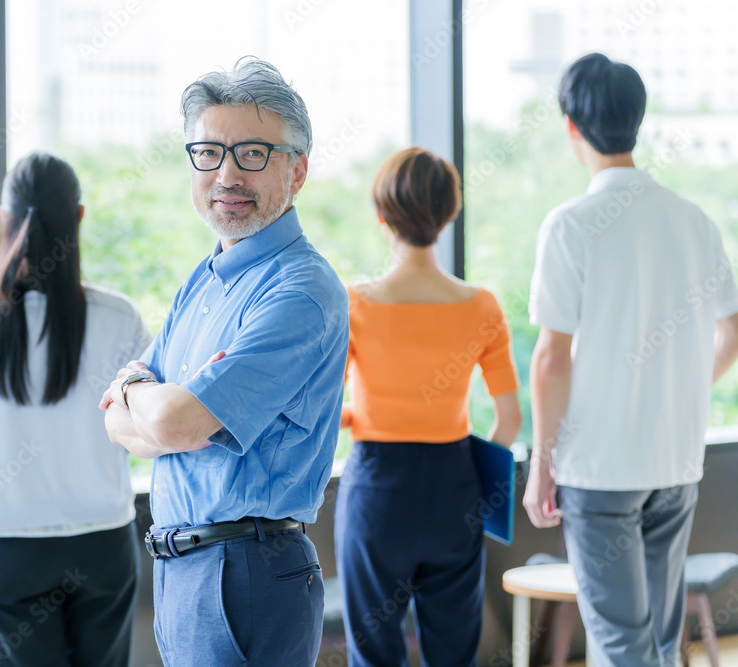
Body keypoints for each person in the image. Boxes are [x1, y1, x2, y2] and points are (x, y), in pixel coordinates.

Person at [99, 57, 349, 666]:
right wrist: (147, 396)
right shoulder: (204, 280)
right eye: (208, 152)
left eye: (254, 153)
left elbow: (171, 425)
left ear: (299, 171)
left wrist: (143, 394)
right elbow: (118, 425)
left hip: (246, 571)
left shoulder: (301, 291)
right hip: (182, 567)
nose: (227, 173)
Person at [523, 53, 738, 666]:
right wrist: (683, 386)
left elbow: (551, 359)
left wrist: (542, 464)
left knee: (620, 642)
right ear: (636, 121)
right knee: (661, 641)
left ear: (572, 126)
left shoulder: (571, 223)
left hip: (600, 468)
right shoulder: (694, 220)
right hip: (676, 461)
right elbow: (733, 331)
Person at [0, 152, 148, 667]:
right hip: (101, 542)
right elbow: (147, 431)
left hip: (9, 547)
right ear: (77, 218)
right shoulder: (119, 317)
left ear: (4, 221)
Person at [335, 147, 522, 666]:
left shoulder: (356, 305)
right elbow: (510, 421)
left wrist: (358, 417)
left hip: (377, 491)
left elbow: (326, 414)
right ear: (448, 215)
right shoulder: (481, 306)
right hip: (454, 488)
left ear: (381, 216)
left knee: (374, 653)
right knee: (455, 654)